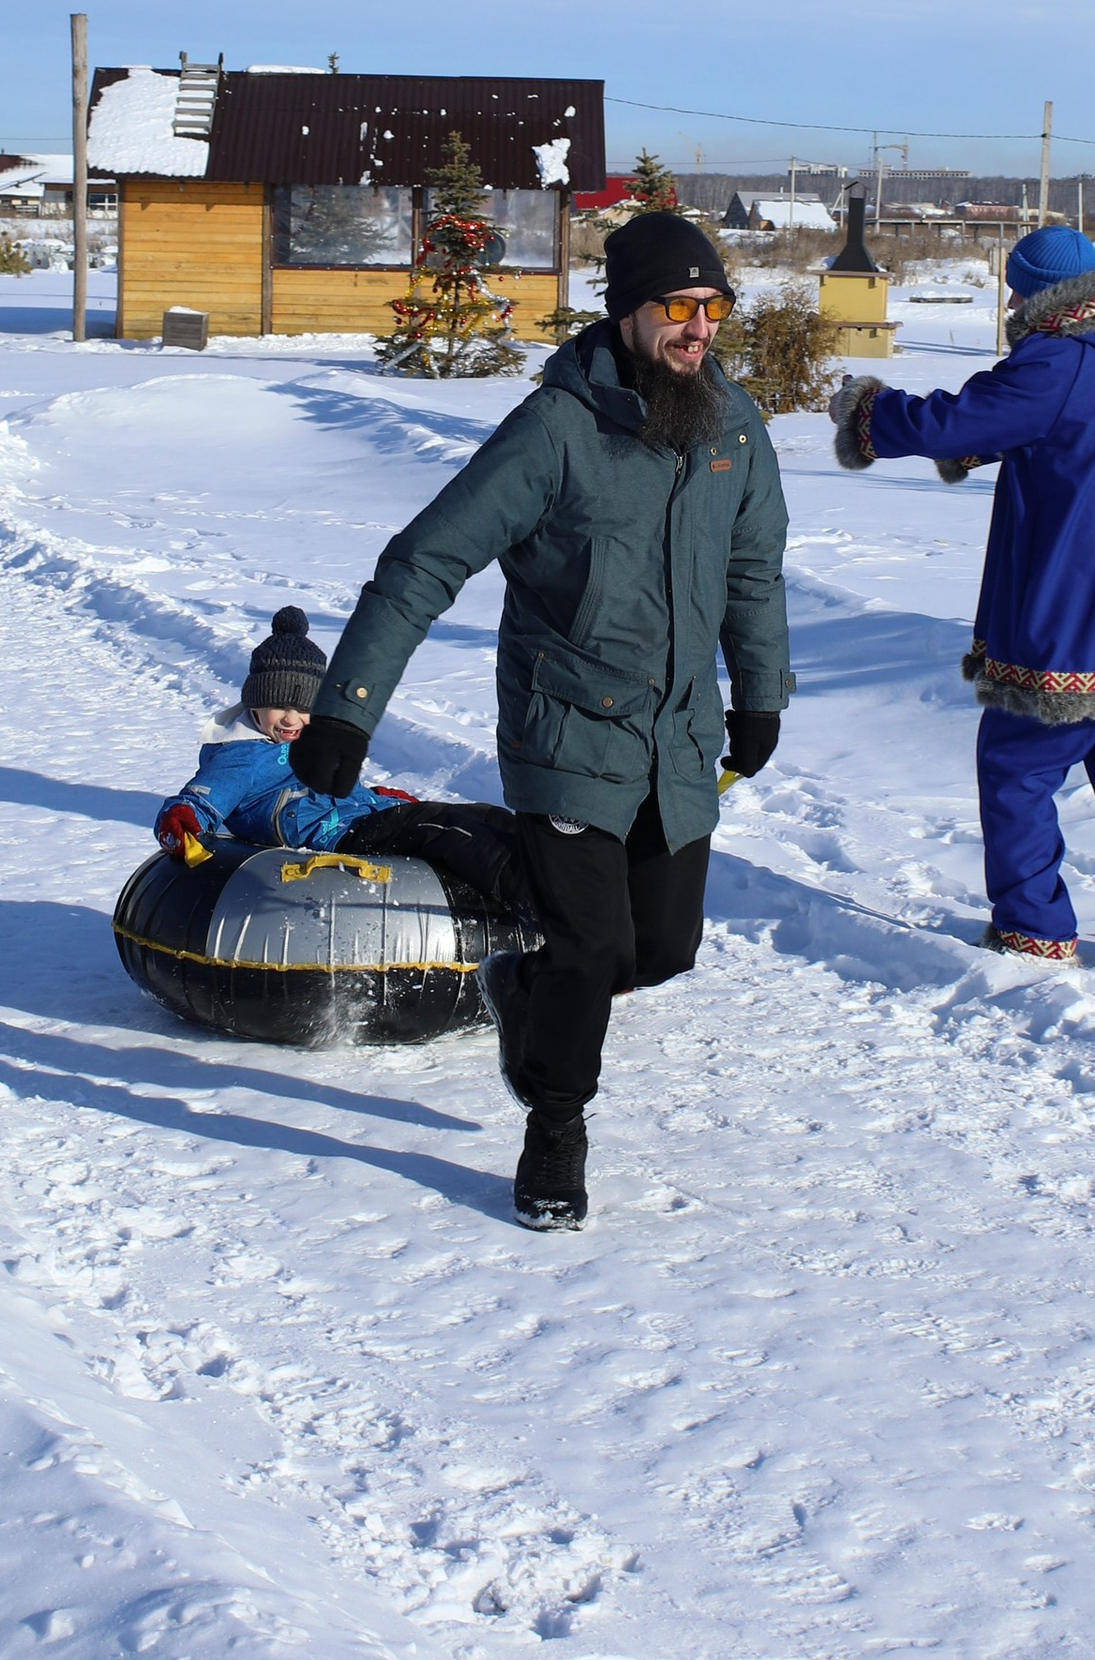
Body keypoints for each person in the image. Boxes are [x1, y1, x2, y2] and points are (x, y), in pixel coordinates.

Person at [291, 209, 793, 1231]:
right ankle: (554, 1129)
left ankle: (516, 989)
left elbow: (752, 575)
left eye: (713, 305)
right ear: (628, 313)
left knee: (662, 948)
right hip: (564, 732)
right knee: (588, 952)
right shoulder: (557, 430)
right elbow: (425, 560)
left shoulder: (732, 429)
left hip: (677, 737)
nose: (698, 327)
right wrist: (346, 713)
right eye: (675, 307)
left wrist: (761, 695)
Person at [831, 223, 1095, 986]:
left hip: (1071, 623)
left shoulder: (1057, 361)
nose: (1009, 300)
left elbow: (954, 420)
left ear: (1038, 292)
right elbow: (1050, 438)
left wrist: (867, 411)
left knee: (1015, 772)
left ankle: (1033, 930)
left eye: (1015, 287)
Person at [152, 607, 433, 862]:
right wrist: (181, 818)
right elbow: (204, 799)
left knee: (467, 820)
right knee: (450, 837)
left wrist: (375, 796)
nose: (291, 719)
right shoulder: (242, 755)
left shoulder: (311, 739)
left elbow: (332, 789)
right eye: (278, 706)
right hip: (337, 836)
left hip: (363, 817)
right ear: (255, 702)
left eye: (303, 709)